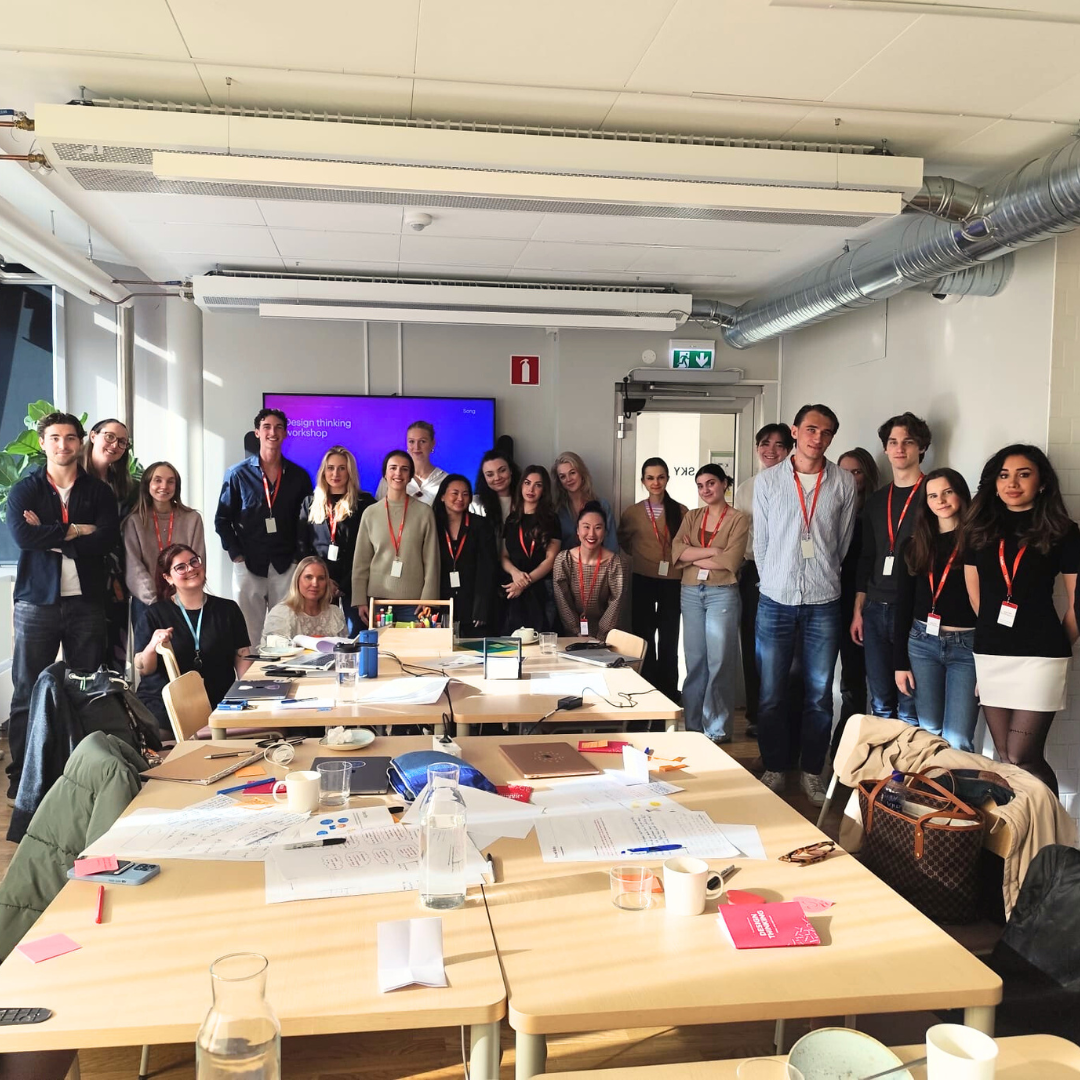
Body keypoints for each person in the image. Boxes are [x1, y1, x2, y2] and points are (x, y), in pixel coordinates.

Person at [5, 412, 119, 800]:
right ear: (43, 442)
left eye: (70, 438)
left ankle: (82, 773)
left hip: (85, 602)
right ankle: (21, 775)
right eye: (55, 438)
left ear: (79, 442)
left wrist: (50, 533)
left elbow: (105, 540)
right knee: (27, 691)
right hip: (37, 602)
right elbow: (23, 536)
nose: (63, 445)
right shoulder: (25, 490)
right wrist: (75, 530)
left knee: (87, 688)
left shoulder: (99, 493)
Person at [754, 404, 857, 805]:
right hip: (775, 599)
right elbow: (761, 543)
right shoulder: (768, 481)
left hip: (823, 600)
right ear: (795, 431)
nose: (818, 438)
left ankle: (813, 771)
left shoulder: (844, 482)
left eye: (827, 432)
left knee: (818, 694)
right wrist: (777, 578)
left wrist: (819, 573)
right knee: (771, 693)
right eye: (811, 429)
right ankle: (776, 766)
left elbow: (842, 542)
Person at [964, 445, 1079, 794]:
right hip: (991, 654)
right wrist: (994, 637)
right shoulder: (979, 528)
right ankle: (1021, 834)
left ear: (1042, 482)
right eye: (1004, 475)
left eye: (1023, 474)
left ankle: (1052, 837)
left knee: (1022, 755)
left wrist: (1056, 647)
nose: (1012, 482)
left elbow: (1077, 605)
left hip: (1041, 656)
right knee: (1004, 756)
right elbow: (976, 596)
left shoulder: (1063, 530)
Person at [851, 412, 931, 723]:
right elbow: (868, 557)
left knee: (910, 703)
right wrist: (859, 609)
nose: (900, 449)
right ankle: (889, 773)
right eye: (893, 442)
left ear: (921, 448)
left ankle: (909, 773)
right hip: (874, 609)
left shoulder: (933, 494)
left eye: (908, 442)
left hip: (912, 610)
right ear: (885, 449)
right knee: (881, 701)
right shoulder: (877, 500)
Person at [894, 469, 979, 751]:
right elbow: (903, 603)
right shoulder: (914, 544)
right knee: (929, 732)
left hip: (966, 646)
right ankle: (932, 794)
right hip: (922, 644)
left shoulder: (978, 542)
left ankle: (958, 795)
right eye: (932, 495)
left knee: (958, 738)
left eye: (947, 492)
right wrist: (900, 663)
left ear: (960, 494)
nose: (940, 500)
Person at [216, 408, 313, 645]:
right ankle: (249, 680)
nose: (273, 432)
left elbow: (307, 520)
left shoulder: (299, 476)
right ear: (257, 433)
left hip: (286, 565)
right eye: (267, 427)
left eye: (279, 427)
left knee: (285, 632)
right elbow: (222, 519)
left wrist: (299, 558)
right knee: (247, 634)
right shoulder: (237, 474)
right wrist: (236, 554)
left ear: (286, 434)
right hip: (248, 563)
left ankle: (283, 679)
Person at [133, 544, 251, 732]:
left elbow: (242, 656)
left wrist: (248, 694)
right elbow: (144, 668)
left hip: (218, 705)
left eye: (194, 561)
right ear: (168, 578)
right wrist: (153, 645)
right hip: (167, 709)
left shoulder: (228, 610)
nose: (191, 569)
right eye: (180, 567)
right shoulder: (154, 614)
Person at [672, 465, 749, 745]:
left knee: (720, 661)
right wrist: (712, 551)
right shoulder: (692, 516)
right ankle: (693, 727)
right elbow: (675, 551)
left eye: (711, 483)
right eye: (701, 485)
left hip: (722, 593)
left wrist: (693, 557)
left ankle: (716, 729)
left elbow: (731, 560)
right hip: (691, 591)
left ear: (725, 484)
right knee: (695, 661)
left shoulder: (739, 519)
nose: (706, 490)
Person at [733, 424, 794, 736]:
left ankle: (784, 715)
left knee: (784, 648)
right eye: (765, 443)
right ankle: (757, 714)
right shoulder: (746, 488)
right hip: (754, 569)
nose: (771, 450)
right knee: (753, 644)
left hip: (789, 572)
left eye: (779, 445)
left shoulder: (799, 484)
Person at [618, 457, 687, 703]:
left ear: (667, 478)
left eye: (660, 477)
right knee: (644, 635)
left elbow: (686, 543)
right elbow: (624, 541)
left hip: (673, 580)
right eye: (650, 478)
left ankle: (669, 690)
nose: (655, 482)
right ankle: (648, 687)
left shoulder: (680, 511)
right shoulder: (633, 512)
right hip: (643, 578)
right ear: (643, 481)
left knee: (669, 637)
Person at [351, 449, 440, 625]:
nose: (398, 473)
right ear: (385, 473)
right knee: (380, 651)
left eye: (404, 469)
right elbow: (361, 561)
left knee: (413, 650)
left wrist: (428, 597)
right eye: (393, 468)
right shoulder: (371, 513)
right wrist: (360, 598)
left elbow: (432, 560)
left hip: (415, 603)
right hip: (378, 602)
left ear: (410, 475)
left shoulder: (424, 512)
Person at [297, 446, 374, 634]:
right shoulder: (310, 503)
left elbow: (370, 549)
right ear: (324, 471)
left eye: (342, 468)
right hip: (320, 582)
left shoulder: (365, 504)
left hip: (355, 582)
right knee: (319, 637)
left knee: (357, 634)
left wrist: (344, 584)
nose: (335, 473)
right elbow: (302, 546)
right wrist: (325, 581)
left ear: (350, 471)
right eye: (330, 468)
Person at [834, 448, 880, 749]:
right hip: (833, 600)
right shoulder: (834, 509)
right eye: (844, 471)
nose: (850, 478)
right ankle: (840, 746)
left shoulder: (875, 512)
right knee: (847, 680)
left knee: (863, 680)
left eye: (856, 472)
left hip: (865, 602)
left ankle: (851, 747)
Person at [122, 460, 205, 626]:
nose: (164, 486)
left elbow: (197, 561)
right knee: (147, 651)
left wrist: (180, 597)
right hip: (147, 603)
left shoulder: (192, 519)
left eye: (170, 481)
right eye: (157, 480)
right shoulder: (135, 521)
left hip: (185, 600)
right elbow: (134, 567)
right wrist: (157, 602)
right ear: (147, 484)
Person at [83, 417, 136, 673]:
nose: (115, 445)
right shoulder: (74, 479)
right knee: (87, 653)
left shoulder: (125, 486)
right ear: (93, 435)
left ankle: (114, 709)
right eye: (110, 437)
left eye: (122, 442)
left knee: (116, 651)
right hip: (82, 576)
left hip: (118, 578)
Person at [434, 474, 499, 634]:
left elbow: (488, 567)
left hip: (472, 602)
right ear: (442, 496)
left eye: (465, 494)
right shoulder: (432, 524)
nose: (460, 498)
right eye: (454, 493)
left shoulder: (481, 525)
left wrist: (481, 607)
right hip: (440, 600)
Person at [553, 501, 627, 642]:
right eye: (586, 527)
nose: (591, 534)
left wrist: (600, 636)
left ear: (605, 532)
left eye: (598, 528)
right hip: (570, 634)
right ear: (577, 530)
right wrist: (575, 631)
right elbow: (563, 601)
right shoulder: (564, 560)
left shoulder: (615, 562)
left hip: (607, 636)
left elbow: (616, 603)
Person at [502, 465, 561, 634]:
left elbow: (550, 560)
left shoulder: (551, 519)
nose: (531, 489)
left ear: (544, 490)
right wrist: (515, 574)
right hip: (514, 586)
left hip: (541, 588)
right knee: (513, 642)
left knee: (542, 639)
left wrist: (525, 582)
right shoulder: (512, 519)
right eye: (527, 483)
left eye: (538, 485)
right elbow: (504, 555)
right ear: (521, 485)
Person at [260, 556, 346, 647]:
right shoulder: (281, 613)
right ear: (297, 580)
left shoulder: (335, 613)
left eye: (321, 578)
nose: (315, 584)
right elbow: (273, 652)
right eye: (308, 577)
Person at [552, 451, 618, 553]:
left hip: (600, 566)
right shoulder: (556, 510)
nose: (568, 479)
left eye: (572, 473)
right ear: (559, 481)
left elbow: (612, 546)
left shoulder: (602, 506)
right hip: (566, 566)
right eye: (563, 476)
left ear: (582, 473)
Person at [375, 420, 447, 505]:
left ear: (433, 443)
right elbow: (378, 512)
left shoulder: (445, 480)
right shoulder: (391, 478)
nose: (416, 447)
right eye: (412, 441)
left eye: (422, 441)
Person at [470, 448, 520, 532]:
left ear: (511, 470)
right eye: (490, 475)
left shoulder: (525, 500)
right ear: (484, 478)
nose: (497, 478)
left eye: (502, 470)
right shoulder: (475, 503)